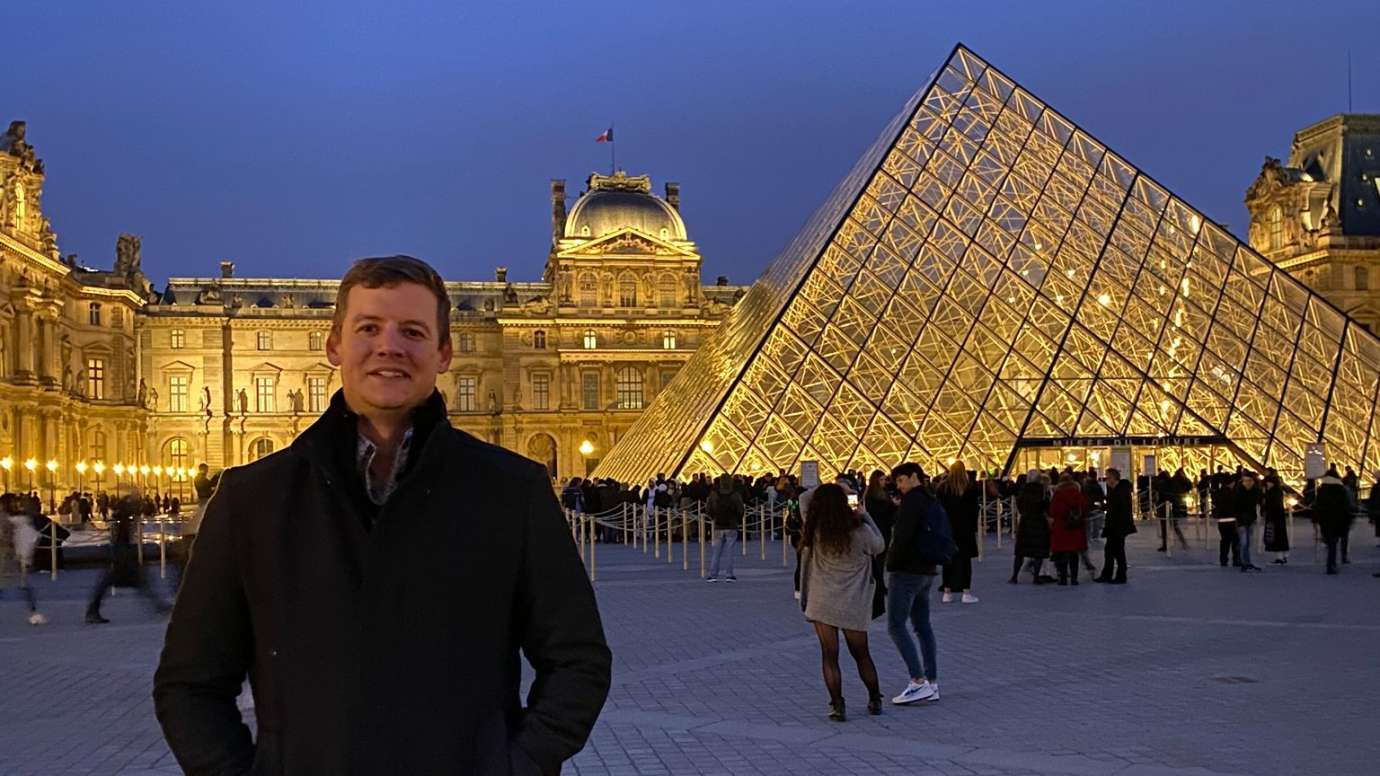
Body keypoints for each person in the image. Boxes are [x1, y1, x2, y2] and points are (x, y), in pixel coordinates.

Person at [154, 256, 611, 775]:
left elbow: (580, 662)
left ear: (444, 353)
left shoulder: (514, 491)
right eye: (368, 327)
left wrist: (516, 764)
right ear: (334, 345)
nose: (389, 347)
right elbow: (189, 685)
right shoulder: (250, 498)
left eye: (412, 331)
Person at [799, 483, 886, 721]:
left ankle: (837, 705)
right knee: (862, 654)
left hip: (822, 601)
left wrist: (829, 487)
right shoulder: (859, 532)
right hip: (852, 602)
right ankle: (875, 698)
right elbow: (880, 545)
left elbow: (803, 498)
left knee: (829, 655)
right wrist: (859, 507)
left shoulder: (815, 530)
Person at [884, 462, 943, 706]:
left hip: (907, 571)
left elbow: (902, 537)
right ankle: (932, 681)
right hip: (927, 570)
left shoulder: (912, 502)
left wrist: (890, 564)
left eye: (901, 480)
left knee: (896, 625)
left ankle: (917, 681)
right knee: (922, 626)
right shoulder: (931, 499)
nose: (899, 486)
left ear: (913, 477)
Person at [85, 490, 171, 623]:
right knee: (136, 580)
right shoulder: (124, 517)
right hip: (122, 552)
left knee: (116, 581)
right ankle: (159, 605)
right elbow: (122, 536)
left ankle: (93, 610)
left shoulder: (121, 517)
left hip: (121, 550)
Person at [935, 461, 979, 604]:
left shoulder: (942, 488)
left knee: (948, 561)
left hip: (947, 529)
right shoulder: (969, 488)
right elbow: (974, 510)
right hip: (965, 529)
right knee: (965, 561)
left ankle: (947, 592)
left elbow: (938, 510)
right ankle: (966, 592)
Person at [1, 494, 47, 625]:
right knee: (23, 586)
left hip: (8, 557)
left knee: (19, 586)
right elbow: (30, 538)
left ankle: (34, 612)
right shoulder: (20, 520)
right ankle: (34, 612)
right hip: (11, 558)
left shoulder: (9, 520)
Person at [1094, 468, 1134, 584]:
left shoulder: (1120, 490)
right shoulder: (1114, 489)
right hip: (1114, 524)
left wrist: (1104, 507)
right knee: (1110, 550)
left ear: (1113, 478)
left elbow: (1118, 507)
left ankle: (1120, 575)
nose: (1106, 479)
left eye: (1107, 477)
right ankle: (1108, 573)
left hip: (1119, 525)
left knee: (1117, 550)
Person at [1048, 473, 1089, 585]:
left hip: (1061, 527)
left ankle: (1063, 578)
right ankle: (1074, 578)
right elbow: (1085, 509)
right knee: (1073, 554)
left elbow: (1053, 511)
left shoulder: (1058, 495)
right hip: (1075, 527)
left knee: (1061, 553)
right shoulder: (1077, 494)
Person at [1012, 471, 1052, 584]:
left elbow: (1019, 505)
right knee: (1039, 552)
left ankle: (1014, 576)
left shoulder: (1023, 490)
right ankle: (1036, 577)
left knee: (1020, 552)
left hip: (1025, 521)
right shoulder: (1043, 490)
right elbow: (1047, 505)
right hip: (1039, 521)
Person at [705, 472, 745, 582]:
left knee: (716, 551)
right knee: (730, 551)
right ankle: (729, 575)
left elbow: (708, 509)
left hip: (718, 525)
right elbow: (741, 509)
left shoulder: (714, 493)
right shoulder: (735, 494)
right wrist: (737, 520)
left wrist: (714, 518)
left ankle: (713, 575)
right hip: (732, 525)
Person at [1314, 467, 1351, 575]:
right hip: (1338, 520)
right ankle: (1332, 564)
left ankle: (1330, 564)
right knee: (1333, 543)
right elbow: (1345, 506)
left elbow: (1318, 505)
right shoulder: (1341, 489)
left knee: (1330, 543)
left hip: (1325, 520)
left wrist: (1316, 519)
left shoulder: (1322, 489)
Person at [1232, 471, 1263, 572]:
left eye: (1249, 480)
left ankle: (1246, 562)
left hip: (1250, 519)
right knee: (1244, 543)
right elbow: (1237, 506)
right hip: (1241, 520)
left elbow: (1258, 502)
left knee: (1247, 543)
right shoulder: (1239, 491)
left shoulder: (1255, 491)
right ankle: (1245, 563)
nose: (1246, 483)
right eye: (1244, 481)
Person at [1262, 474, 1290, 564]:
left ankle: (1280, 557)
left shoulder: (1272, 492)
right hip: (1279, 517)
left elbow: (1270, 505)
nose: (1267, 484)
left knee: (1277, 537)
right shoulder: (1277, 491)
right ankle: (1283, 555)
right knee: (1280, 536)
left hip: (1274, 517)